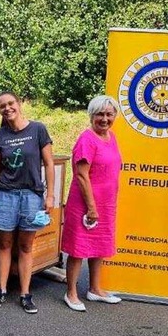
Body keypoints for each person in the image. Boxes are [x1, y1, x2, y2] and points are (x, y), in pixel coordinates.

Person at [0, 91, 55, 314]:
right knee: (3, 244)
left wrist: (50, 196)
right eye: (2, 106)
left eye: (10, 103)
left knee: (25, 246)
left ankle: (25, 293)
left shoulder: (38, 129)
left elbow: (49, 164)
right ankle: (1, 289)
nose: (7, 108)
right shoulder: (0, 134)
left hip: (31, 195)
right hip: (6, 194)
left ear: (19, 104)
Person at [61, 95, 122, 312]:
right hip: (86, 204)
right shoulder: (87, 139)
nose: (105, 119)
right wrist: (92, 207)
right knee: (78, 249)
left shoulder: (111, 137)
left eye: (109, 114)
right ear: (91, 116)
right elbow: (81, 175)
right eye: (100, 114)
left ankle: (95, 289)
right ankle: (71, 293)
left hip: (106, 204)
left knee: (100, 247)